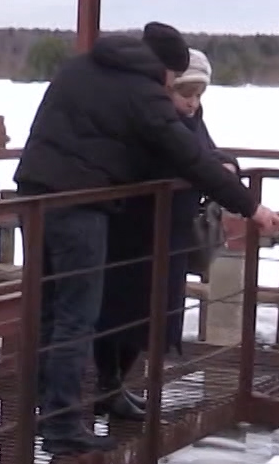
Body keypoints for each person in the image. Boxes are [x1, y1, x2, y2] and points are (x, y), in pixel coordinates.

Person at [14, 23, 279, 453]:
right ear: (166, 71)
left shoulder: (81, 67)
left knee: (48, 311)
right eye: (172, 80)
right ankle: (63, 426)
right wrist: (251, 207)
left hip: (33, 195)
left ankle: (41, 410)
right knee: (75, 317)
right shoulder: (142, 92)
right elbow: (188, 155)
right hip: (79, 208)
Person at [92, 48, 235, 422]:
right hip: (136, 230)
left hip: (171, 230)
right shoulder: (149, 118)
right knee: (121, 311)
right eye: (186, 95)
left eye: (198, 97)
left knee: (154, 313)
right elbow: (173, 158)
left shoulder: (191, 119)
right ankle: (108, 384)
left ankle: (116, 385)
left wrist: (225, 164)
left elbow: (204, 151)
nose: (192, 105)